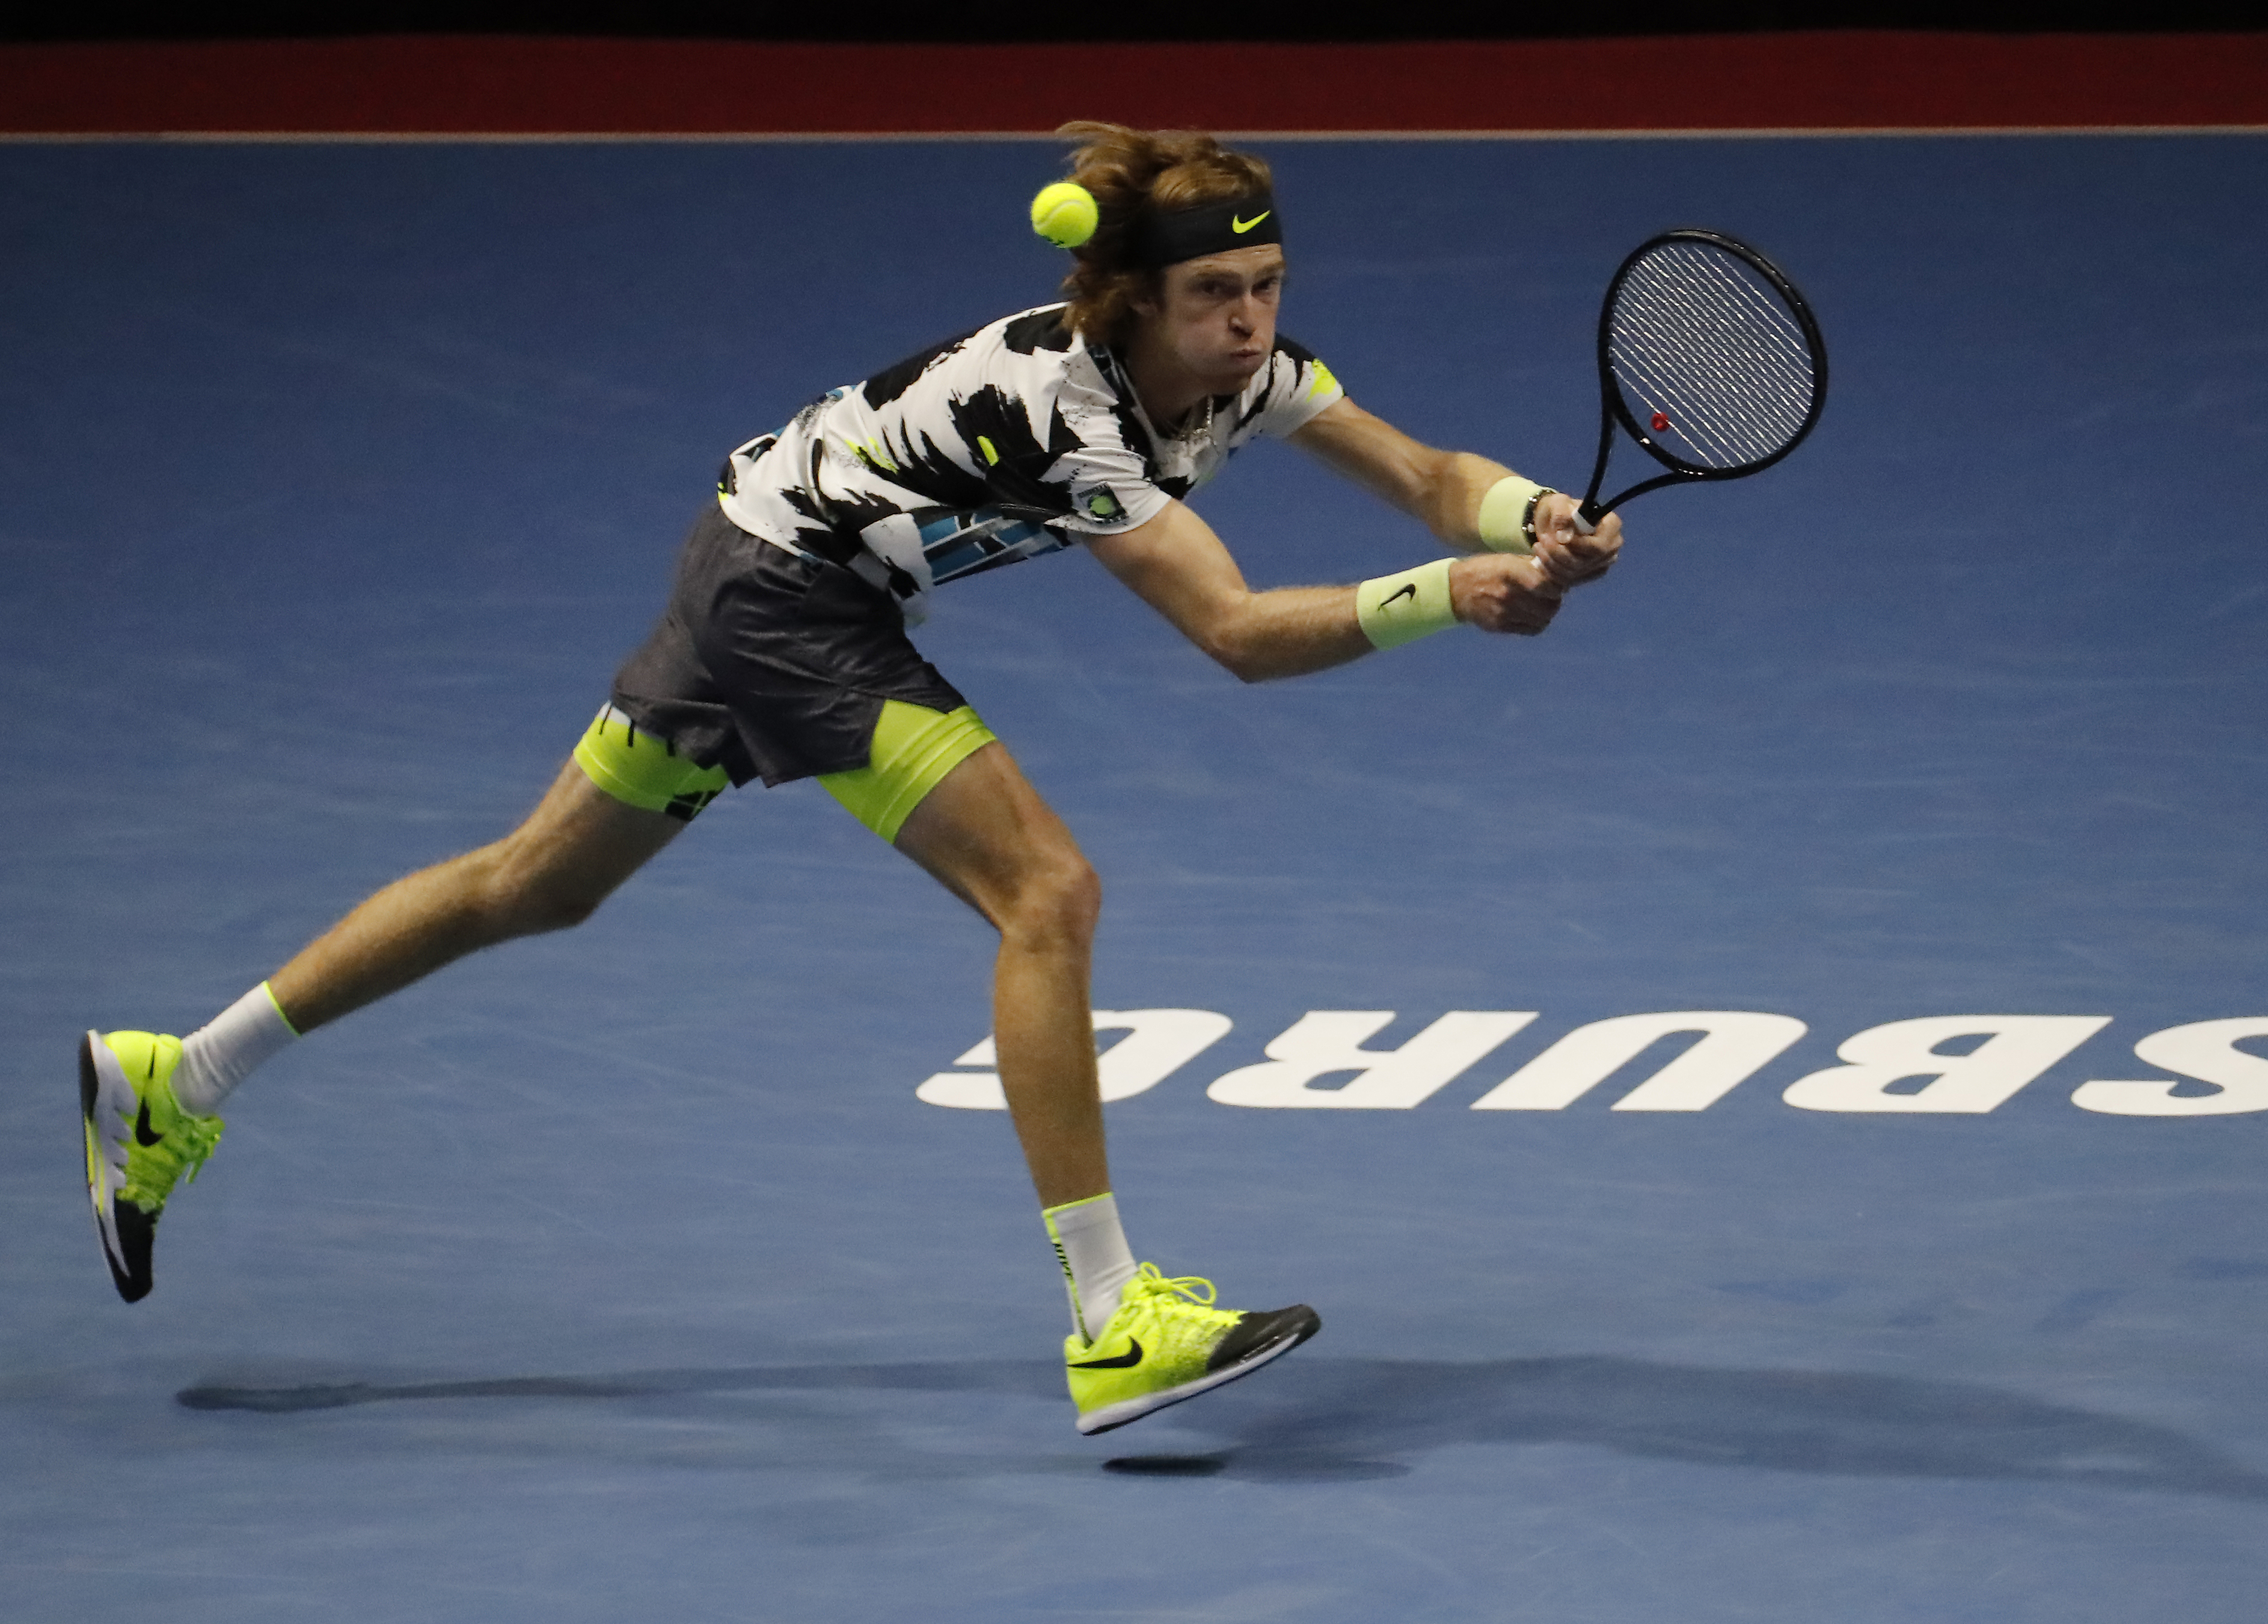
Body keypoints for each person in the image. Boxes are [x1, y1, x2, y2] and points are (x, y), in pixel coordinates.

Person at [78, 121, 1622, 1437]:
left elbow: (1423, 474)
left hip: (761, 556)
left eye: (1265, 285)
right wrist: (1449, 596)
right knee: (1048, 893)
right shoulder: (1066, 409)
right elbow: (1228, 629)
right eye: (1212, 293)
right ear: (1130, 297)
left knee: (533, 884)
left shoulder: (1245, 374)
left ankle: (178, 1072)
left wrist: (1526, 514)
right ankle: (1111, 1320)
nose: (1246, 320)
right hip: (788, 596)